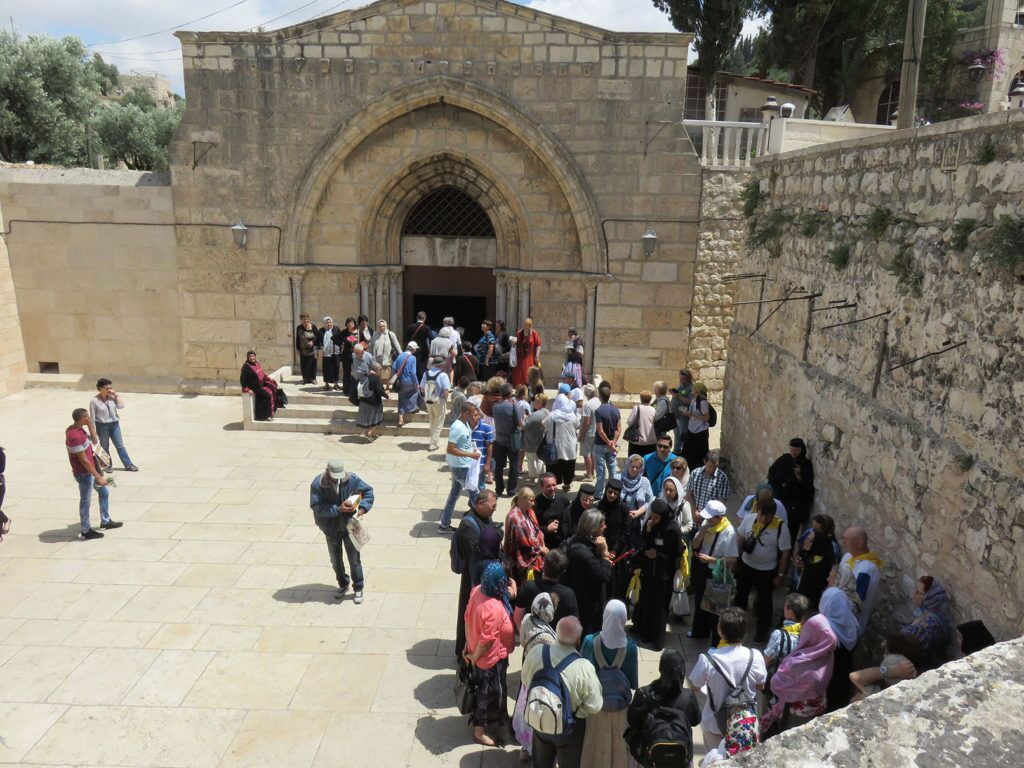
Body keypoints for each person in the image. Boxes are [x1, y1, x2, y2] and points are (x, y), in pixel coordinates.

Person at [521, 616, 604, 768]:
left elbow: (525, 680)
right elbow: (595, 706)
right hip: (568, 729)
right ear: (578, 639)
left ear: (556, 633)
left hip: (539, 719)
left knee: (540, 763)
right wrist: (578, 713)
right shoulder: (584, 667)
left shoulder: (537, 652)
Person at [688, 607, 766, 755]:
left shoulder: (707, 660)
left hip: (715, 725)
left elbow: (695, 686)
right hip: (745, 724)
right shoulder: (755, 656)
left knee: (714, 759)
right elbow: (761, 686)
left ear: (720, 631)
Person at [580, 600, 639, 768]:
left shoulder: (590, 642)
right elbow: (633, 682)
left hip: (595, 706)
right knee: (618, 746)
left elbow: (583, 676)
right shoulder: (630, 647)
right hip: (620, 708)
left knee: (595, 743)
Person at [463, 561, 515, 747]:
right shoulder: (493, 607)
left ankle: (496, 719)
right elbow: (486, 642)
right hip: (487, 660)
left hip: (477, 652)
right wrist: (474, 658)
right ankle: (480, 733)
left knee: (492, 692)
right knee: (484, 696)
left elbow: (468, 617)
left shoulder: (478, 590)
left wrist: (467, 647)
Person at [309, 458, 374, 604]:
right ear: (327, 471)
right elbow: (317, 506)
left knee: (354, 559)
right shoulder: (317, 484)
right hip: (331, 528)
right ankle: (343, 583)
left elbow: (368, 492)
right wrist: (338, 509)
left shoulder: (352, 479)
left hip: (349, 526)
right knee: (335, 560)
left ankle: (358, 587)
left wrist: (362, 508)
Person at [761, 613, 837, 735]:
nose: (801, 630)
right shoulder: (828, 654)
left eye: (804, 628)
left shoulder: (797, 663)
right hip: (819, 707)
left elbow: (776, 684)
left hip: (794, 714)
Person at [625, 649, 701, 768]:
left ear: (660, 669)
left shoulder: (643, 694)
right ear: (682, 672)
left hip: (649, 758)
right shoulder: (688, 696)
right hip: (680, 760)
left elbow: (632, 721)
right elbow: (696, 721)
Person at [734, 488, 792, 642]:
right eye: (762, 515)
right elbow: (739, 538)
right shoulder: (749, 519)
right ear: (757, 511)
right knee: (740, 597)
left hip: (766, 571)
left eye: (768, 517)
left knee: (765, 603)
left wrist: (780, 575)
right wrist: (736, 560)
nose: (764, 519)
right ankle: (735, 627)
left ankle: (761, 633)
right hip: (746, 565)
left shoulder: (781, 527)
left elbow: (786, 553)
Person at [630, 499, 682, 650]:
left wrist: (658, 555)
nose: (653, 519)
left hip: (663, 574)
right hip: (648, 571)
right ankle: (641, 629)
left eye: (657, 517)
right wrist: (647, 531)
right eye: (652, 516)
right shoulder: (650, 523)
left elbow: (676, 552)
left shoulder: (672, 529)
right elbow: (644, 542)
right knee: (645, 600)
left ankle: (655, 637)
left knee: (658, 607)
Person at [513, 592, 559, 761]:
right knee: (539, 719)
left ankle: (525, 749)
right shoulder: (548, 637)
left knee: (527, 716)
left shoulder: (526, 620)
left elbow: (524, 641)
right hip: (541, 683)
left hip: (528, 675)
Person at [455, 490, 499, 661]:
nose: (494, 509)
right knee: (470, 616)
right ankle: (465, 651)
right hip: (474, 578)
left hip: (483, 575)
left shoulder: (485, 517)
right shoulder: (468, 525)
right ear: (480, 503)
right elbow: (476, 552)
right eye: (492, 505)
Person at [687, 500, 739, 643]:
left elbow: (733, 559)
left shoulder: (729, 532)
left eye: (710, 518)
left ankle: (716, 641)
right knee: (699, 601)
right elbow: (695, 544)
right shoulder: (706, 525)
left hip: (715, 572)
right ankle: (699, 631)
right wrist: (702, 533)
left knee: (715, 608)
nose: (707, 520)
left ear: (719, 518)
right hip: (701, 569)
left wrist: (711, 560)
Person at [66, 408, 121, 539]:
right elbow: (83, 460)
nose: (90, 418)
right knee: (85, 501)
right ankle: (86, 530)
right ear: (83, 419)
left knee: (104, 492)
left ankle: (105, 520)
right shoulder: (74, 436)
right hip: (84, 473)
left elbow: (95, 441)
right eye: (88, 417)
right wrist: (98, 476)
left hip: (91, 470)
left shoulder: (79, 430)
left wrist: (91, 427)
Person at [563, 510, 614, 636]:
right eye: (602, 525)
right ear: (593, 527)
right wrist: (605, 554)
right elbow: (604, 576)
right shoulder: (583, 552)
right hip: (588, 604)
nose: (605, 527)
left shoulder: (575, 539)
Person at [819, 564, 863, 710]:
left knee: (835, 680)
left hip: (837, 648)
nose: (827, 579)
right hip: (846, 645)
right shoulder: (849, 597)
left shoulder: (837, 598)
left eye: (831, 577)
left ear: (840, 580)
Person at [441, 402, 481, 532]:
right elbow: (450, 449)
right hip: (460, 467)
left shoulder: (465, 424)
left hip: (461, 465)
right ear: (465, 413)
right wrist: (470, 454)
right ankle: (484, 524)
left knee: (454, 494)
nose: (474, 415)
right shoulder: (457, 427)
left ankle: (444, 524)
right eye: (472, 413)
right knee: (475, 494)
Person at [515, 548, 580, 628]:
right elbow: (574, 626)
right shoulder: (568, 595)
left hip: (531, 637)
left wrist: (524, 636)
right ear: (563, 572)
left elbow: (517, 616)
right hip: (556, 639)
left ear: (543, 565)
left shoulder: (528, 587)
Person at [768, 438, 816, 543]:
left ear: (801, 450)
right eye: (792, 449)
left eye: (796, 450)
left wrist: (799, 476)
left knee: (790, 532)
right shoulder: (785, 459)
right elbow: (772, 472)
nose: (793, 452)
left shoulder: (806, 465)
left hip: (795, 505)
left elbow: (807, 487)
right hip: (780, 499)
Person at [900, 576, 956, 663]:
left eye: (919, 593)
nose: (914, 595)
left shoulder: (931, 625)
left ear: (930, 597)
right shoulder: (926, 611)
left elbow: (909, 645)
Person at [849, 634, 921, 699]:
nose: (884, 655)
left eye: (886, 652)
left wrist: (890, 670)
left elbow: (854, 676)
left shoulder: (882, 696)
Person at [840, 525, 883, 634]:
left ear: (859, 543)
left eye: (847, 539)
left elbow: (856, 601)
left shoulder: (866, 570)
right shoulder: (848, 556)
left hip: (847, 624)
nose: (843, 542)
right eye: (843, 538)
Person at [89, 378, 139, 472]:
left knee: (120, 445)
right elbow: (92, 418)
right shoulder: (94, 401)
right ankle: (107, 466)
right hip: (102, 426)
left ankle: (128, 464)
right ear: (100, 388)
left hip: (114, 424)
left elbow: (121, 406)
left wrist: (116, 395)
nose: (109, 390)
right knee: (104, 446)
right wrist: (93, 432)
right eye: (107, 388)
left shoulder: (112, 397)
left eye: (110, 388)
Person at [503, 487, 546, 587]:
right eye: (530, 501)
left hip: (534, 553)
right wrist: (540, 549)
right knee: (526, 586)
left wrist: (540, 540)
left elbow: (536, 530)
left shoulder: (529, 512)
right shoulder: (515, 518)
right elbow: (523, 543)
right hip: (522, 557)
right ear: (522, 499)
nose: (533, 504)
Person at [763, 593, 811, 673]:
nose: (783, 608)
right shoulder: (809, 632)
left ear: (790, 612)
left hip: (780, 678)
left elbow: (766, 661)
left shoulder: (779, 635)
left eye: (785, 606)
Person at [794, 526, 836, 608]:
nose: (805, 542)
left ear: (817, 544)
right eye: (807, 539)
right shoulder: (810, 556)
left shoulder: (821, 565)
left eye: (810, 541)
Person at [546, 383, 578, 491]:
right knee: (568, 466)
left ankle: (554, 485)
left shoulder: (552, 415)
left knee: (554, 466)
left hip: (556, 447)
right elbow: (577, 425)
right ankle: (567, 484)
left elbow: (543, 425)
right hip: (570, 446)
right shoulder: (572, 416)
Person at [618, 455, 654, 552]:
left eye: (638, 467)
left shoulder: (645, 482)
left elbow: (650, 501)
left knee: (634, 548)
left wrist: (638, 512)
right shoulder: (617, 478)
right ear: (628, 465)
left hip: (637, 522)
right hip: (619, 520)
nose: (634, 469)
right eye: (632, 466)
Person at [684, 450, 731, 521]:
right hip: (693, 516)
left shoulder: (722, 478)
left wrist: (706, 516)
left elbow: (721, 502)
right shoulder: (695, 473)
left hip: (710, 520)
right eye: (710, 467)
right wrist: (694, 512)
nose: (712, 470)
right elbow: (689, 495)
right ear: (704, 461)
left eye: (715, 468)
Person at [491, 383, 520, 497]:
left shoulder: (495, 406)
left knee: (499, 466)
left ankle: (499, 489)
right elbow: (518, 422)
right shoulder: (512, 406)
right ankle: (511, 490)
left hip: (499, 439)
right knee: (513, 465)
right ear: (509, 394)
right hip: (511, 439)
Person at [240, 351, 284, 422]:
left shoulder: (256, 363)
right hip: (255, 387)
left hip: (261, 383)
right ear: (248, 358)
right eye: (250, 357)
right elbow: (243, 379)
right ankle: (264, 416)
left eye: (253, 356)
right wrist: (247, 389)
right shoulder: (246, 367)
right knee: (266, 396)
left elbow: (262, 374)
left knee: (272, 386)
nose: (252, 358)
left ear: (255, 356)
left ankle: (275, 406)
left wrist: (269, 379)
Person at [421, 355, 451, 451]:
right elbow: (446, 390)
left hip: (428, 400)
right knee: (439, 422)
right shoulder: (443, 375)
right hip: (439, 400)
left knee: (432, 421)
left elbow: (421, 388)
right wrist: (445, 400)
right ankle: (433, 444)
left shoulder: (426, 373)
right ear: (441, 365)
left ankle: (433, 441)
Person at [535, 473, 571, 550]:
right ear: (541, 487)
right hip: (545, 544)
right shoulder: (535, 504)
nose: (552, 488)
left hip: (563, 542)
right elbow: (531, 527)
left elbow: (570, 519)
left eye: (554, 485)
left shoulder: (563, 499)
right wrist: (546, 529)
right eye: (548, 486)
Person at [682, 383, 712, 471]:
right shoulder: (695, 399)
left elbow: (706, 418)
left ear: (698, 390)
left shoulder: (702, 402)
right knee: (688, 453)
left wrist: (692, 414)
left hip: (700, 432)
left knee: (699, 454)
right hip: (692, 430)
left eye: (694, 388)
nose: (692, 389)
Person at [356, 359, 387, 440]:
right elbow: (380, 391)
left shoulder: (365, 375)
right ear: (377, 370)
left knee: (371, 419)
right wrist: (387, 396)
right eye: (380, 370)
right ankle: (369, 433)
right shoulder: (376, 378)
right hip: (374, 402)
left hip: (364, 401)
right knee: (377, 418)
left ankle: (373, 434)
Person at [522, 392, 550, 482]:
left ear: (540, 403)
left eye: (535, 401)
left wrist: (525, 418)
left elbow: (525, 427)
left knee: (530, 460)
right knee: (540, 460)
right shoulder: (548, 412)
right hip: (542, 441)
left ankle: (532, 478)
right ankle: (542, 478)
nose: (533, 402)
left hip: (532, 441)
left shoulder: (535, 415)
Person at [391, 342, 419, 427]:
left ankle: (400, 420)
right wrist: (416, 383)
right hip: (410, 381)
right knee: (415, 393)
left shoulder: (400, 356)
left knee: (401, 399)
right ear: (413, 349)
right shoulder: (413, 358)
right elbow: (413, 373)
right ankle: (412, 408)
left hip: (401, 381)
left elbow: (393, 367)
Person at [625, 390, 657, 458]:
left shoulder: (637, 408)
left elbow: (629, 422)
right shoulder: (653, 409)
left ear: (641, 398)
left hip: (637, 442)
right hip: (650, 441)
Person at [578, 384, 600, 481]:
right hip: (596, 432)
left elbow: (586, 422)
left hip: (588, 433)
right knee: (592, 454)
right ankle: (592, 472)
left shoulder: (588, 405)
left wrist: (581, 435)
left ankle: (589, 475)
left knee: (586, 454)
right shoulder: (599, 402)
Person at [669, 369, 693, 456]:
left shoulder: (691, 388)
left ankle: (685, 451)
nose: (681, 380)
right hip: (675, 414)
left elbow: (690, 401)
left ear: (688, 378)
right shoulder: (680, 386)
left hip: (682, 415)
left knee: (683, 434)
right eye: (680, 378)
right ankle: (676, 450)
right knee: (676, 434)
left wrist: (678, 396)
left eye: (682, 378)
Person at [513, 317, 542, 387]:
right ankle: (520, 390)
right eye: (525, 325)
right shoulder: (519, 333)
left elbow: (538, 345)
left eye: (528, 325)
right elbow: (515, 344)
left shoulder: (534, 334)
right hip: (520, 358)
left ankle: (530, 390)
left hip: (530, 358)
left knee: (529, 374)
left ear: (531, 325)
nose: (526, 327)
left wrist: (537, 356)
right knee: (519, 375)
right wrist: (513, 342)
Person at [318, 316, 344, 391]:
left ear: (332, 322)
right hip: (326, 353)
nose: (328, 324)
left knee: (336, 367)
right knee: (326, 369)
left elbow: (340, 338)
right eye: (327, 322)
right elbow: (318, 341)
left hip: (335, 352)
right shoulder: (321, 331)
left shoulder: (336, 329)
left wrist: (341, 346)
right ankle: (326, 384)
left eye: (330, 322)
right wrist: (318, 348)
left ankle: (336, 384)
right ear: (324, 323)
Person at [295, 312, 319, 384]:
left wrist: (313, 342)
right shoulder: (299, 328)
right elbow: (298, 339)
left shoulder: (313, 326)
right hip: (303, 350)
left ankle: (313, 379)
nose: (305, 321)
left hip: (312, 350)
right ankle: (305, 379)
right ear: (301, 320)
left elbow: (318, 337)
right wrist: (298, 349)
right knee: (304, 365)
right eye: (304, 320)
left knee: (313, 364)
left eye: (307, 319)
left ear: (308, 319)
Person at [340, 317, 359, 395]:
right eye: (348, 323)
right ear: (346, 324)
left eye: (351, 322)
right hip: (346, 355)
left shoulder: (358, 332)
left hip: (357, 355)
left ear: (354, 323)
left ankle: (356, 390)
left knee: (357, 373)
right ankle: (346, 390)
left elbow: (364, 342)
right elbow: (337, 340)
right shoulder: (343, 332)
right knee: (346, 373)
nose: (350, 324)